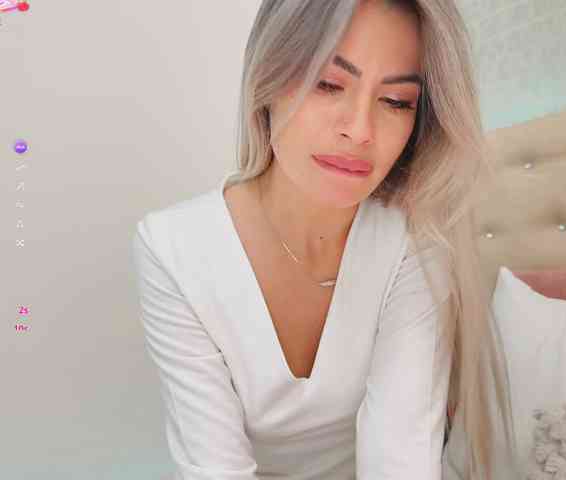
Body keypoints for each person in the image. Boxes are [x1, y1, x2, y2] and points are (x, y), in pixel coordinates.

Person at [131, 0, 519, 479]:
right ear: (266, 80)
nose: (359, 131)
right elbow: (215, 469)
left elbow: (400, 457)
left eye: (397, 101)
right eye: (328, 84)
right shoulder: (173, 248)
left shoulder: (414, 242)